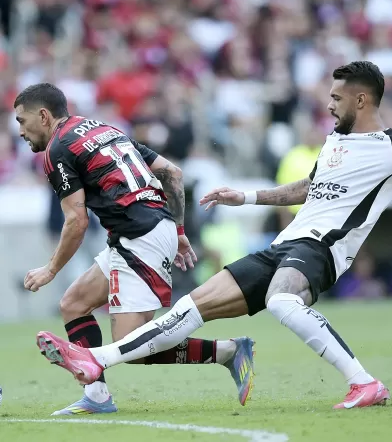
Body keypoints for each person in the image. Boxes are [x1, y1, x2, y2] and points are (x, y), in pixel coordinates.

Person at [36, 61, 392, 409]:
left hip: (323, 248)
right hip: (284, 244)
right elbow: (309, 188)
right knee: (189, 308)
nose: (328, 105)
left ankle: (364, 382)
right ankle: (96, 359)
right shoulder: (335, 142)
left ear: (361, 100)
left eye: (336, 98)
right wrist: (246, 197)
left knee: (282, 300)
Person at [15, 83, 255, 415]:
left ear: (43, 116)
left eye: (22, 121)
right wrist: (178, 230)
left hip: (140, 236)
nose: (20, 131)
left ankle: (228, 351)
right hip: (143, 230)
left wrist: (50, 269)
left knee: (133, 344)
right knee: (74, 304)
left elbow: (76, 221)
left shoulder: (57, 150)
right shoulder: (102, 129)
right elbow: (172, 172)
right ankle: (97, 396)